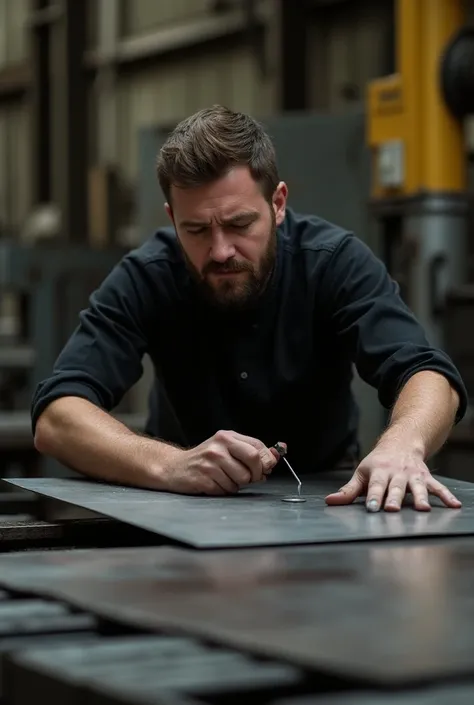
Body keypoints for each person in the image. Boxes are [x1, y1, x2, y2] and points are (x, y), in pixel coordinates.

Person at [32, 105, 467, 513]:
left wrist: (402, 443)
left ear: (277, 204)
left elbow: (428, 375)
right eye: (197, 229)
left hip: (324, 501)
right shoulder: (147, 275)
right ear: (171, 218)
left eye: (240, 224)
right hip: (183, 507)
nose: (221, 250)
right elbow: (57, 417)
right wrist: (170, 466)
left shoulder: (333, 262)